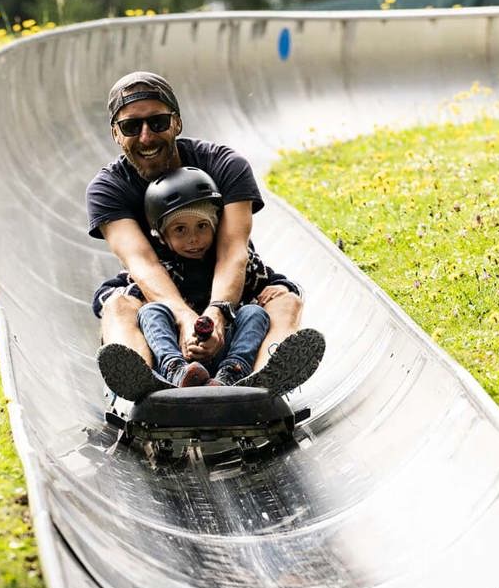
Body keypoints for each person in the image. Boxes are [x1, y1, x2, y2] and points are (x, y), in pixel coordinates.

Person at [87, 71, 323, 400]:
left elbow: (232, 251)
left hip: (228, 287)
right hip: (162, 294)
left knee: (285, 300)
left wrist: (217, 313)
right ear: (116, 133)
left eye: (157, 122)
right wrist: (184, 317)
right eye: (131, 126)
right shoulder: (109, 187)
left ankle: (262, 379)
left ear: (177, 123)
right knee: (118, 305)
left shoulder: (225, 165)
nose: (146, 137)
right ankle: (146, 383)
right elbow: (142, 263)